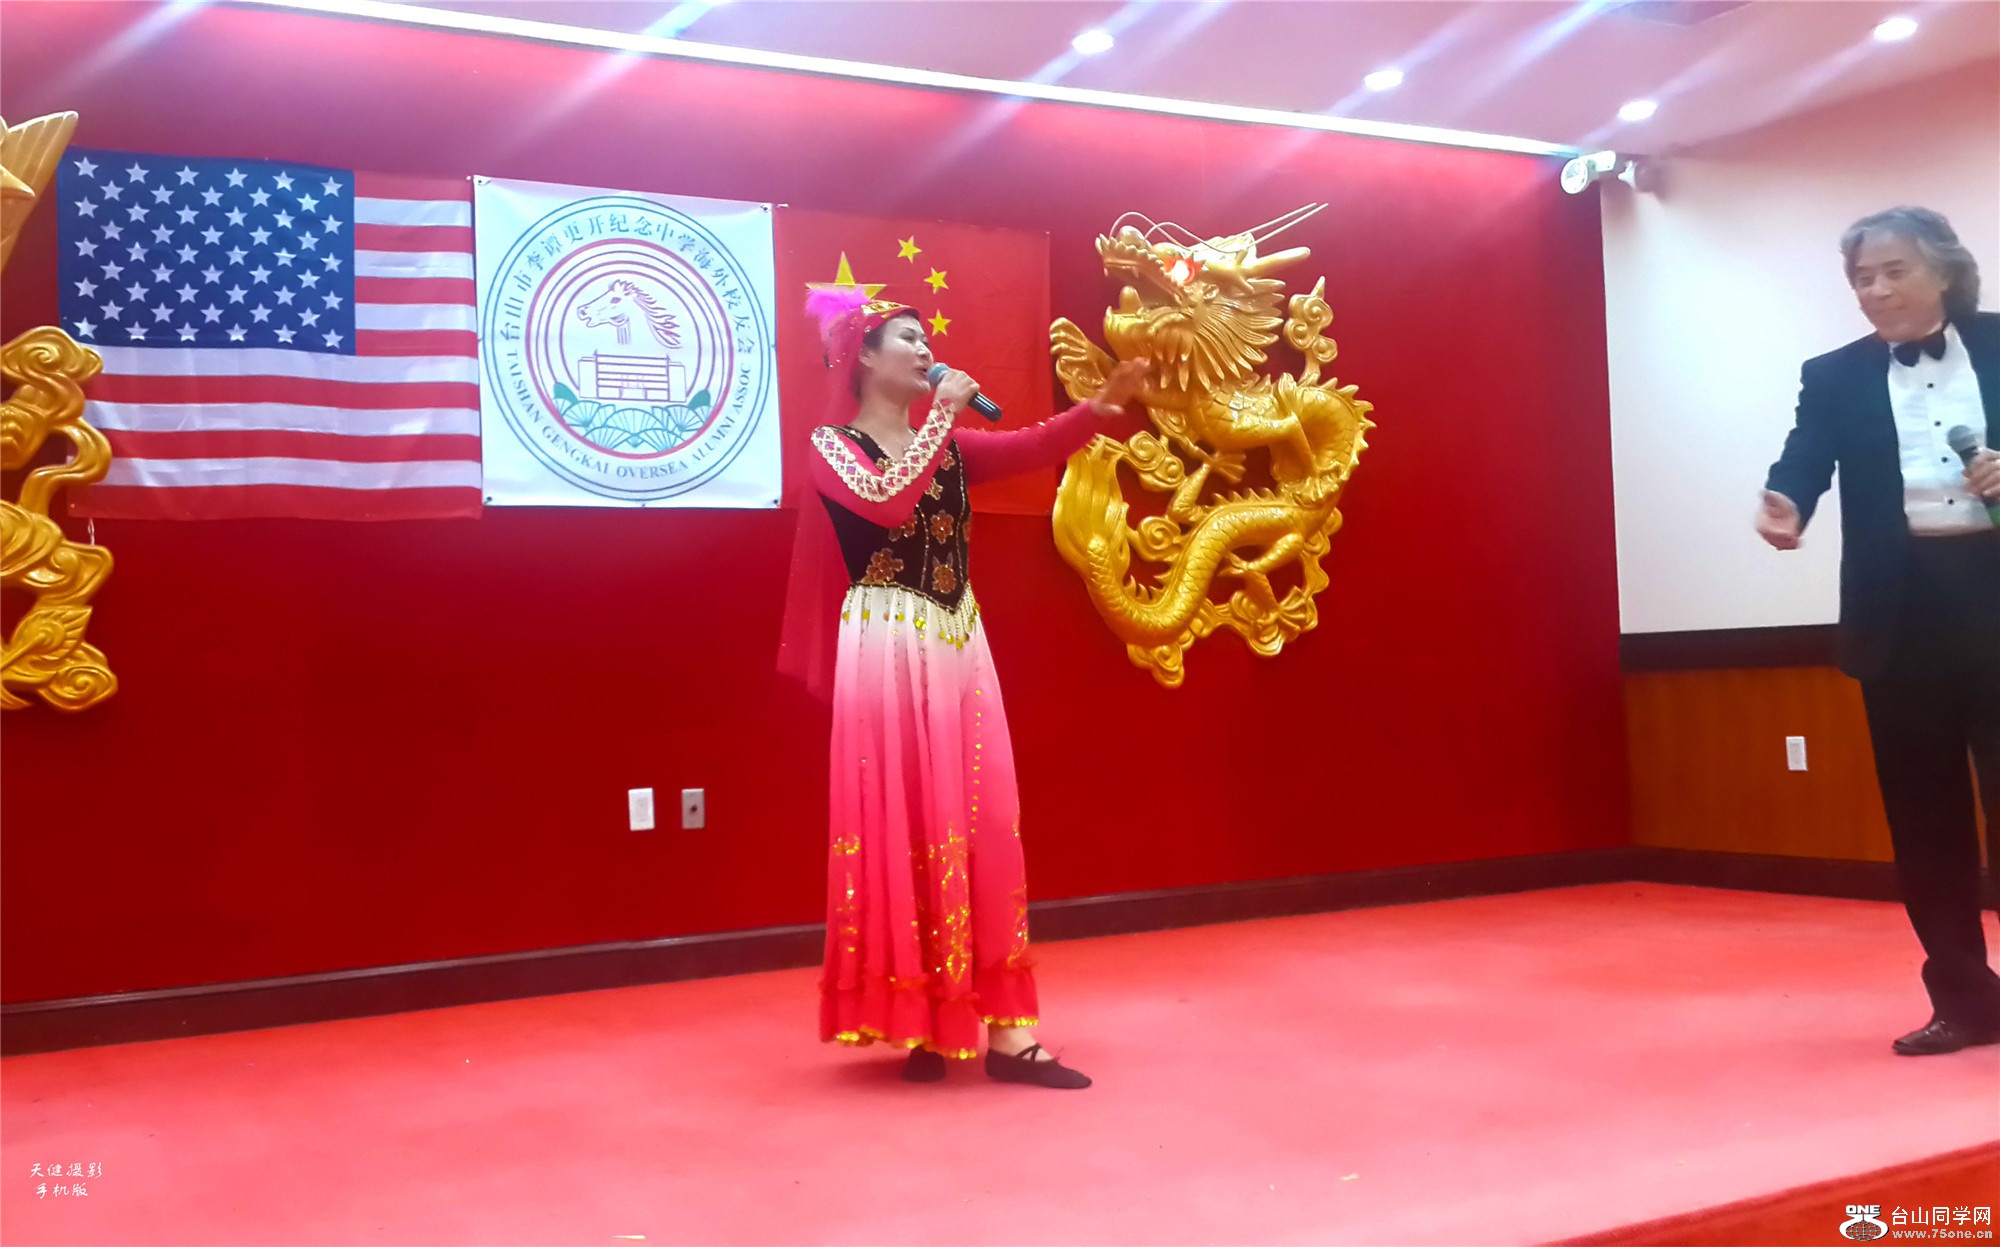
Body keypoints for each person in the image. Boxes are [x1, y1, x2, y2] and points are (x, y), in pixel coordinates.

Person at [778, 286, 1147, 1088]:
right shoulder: (833, 446)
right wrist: (943, 413)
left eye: (925, 339)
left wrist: (1099, 409)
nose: (925, 350)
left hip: (956, 636)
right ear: (863, 355)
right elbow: (886, 502)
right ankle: (928, 1021)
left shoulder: (944, 444)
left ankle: (1009, 1034)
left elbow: (1032, 445)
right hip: (887, 643)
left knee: (981, 819)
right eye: (907, 339)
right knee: (908, 821)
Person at [1758, 206, 2000, 1056]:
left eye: (1895, 271)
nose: (1876, 290)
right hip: (1899, 615)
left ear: (1943, 270)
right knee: (1925, 822)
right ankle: (1967, 1001)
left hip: (1995, 596)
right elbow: (1806, 451)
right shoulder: (1833, 374)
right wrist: (1787, 499)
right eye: (1863, 277)